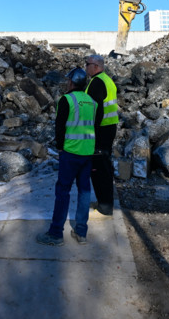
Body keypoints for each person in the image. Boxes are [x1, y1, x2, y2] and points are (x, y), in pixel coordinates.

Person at [36, 67, 99, 246]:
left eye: (67, 81)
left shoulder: (67, 100)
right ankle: (81, 232)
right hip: (87, 153)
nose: (66, 83)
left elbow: (60, 127)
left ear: (72, 82)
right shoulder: (92, 102)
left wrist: (60, 148)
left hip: (71, 153)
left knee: (63, 191)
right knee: (84, 191)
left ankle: (56, 233)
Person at [84, 54, 119, 216]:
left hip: (100, 132)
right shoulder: (107, 80)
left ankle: (105, 206)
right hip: (109, 129)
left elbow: (95, 111)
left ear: (96, 66)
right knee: (104, 166)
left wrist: (90, 133)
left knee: (98, 169)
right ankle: (105, 202)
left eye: (87, 64)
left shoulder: (97, 82)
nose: (86, 67)